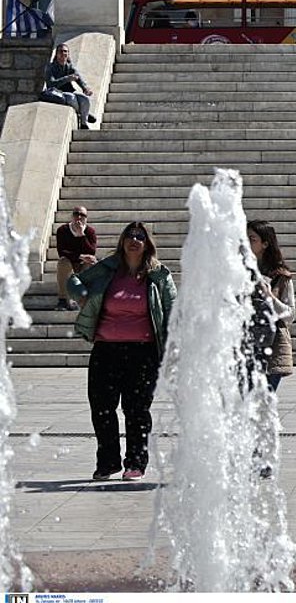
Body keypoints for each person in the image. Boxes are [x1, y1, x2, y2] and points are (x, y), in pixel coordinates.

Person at [67, 221, 175, 481]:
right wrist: (84, 298)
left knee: (137, 408)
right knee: (102, 407)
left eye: (140, 236)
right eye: (129, 236)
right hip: (106, 349)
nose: (134, 240)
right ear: (123, 241)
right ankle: (108, 462)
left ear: (147, 243)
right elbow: (74, 282)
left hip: (143, 352)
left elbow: (173, 309)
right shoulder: (107, 268)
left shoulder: (159, 274)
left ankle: (135, 463)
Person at [246, 220, 295, 392]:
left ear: (265, 243)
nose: (246, 242)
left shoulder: (280, 275)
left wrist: (269, 297)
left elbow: (290, 314)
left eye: (252, 239)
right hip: (245, 343)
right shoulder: (239, 271)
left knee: (263, 401)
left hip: (272, 345)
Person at [40, 43, 97, 130]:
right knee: (71, 97)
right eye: (61, 51)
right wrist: (67, 79)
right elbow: (51, 83)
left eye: (65, 51)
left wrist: (85, 88)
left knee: (85, 100)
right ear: (57, 54)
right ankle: (84, 114)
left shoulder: (69, 67)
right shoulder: (50, 67)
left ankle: (84, 123)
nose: (63, 53)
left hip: (69, 91)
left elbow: (78, 78)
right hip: (57, 93)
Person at [54, 206, 97, 311]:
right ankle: (63, 300)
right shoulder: (62, 230)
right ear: (72, 216)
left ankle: (86, 299)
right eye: (76, 214)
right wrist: (80, 256)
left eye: (82, 215)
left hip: (83, 265)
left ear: (86, 218)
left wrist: (81, 235)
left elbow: (91, 252)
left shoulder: (90, 231)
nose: (79, 217)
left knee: (92, 263)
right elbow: (62, 252)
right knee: (63, 262)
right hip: (69, 264)